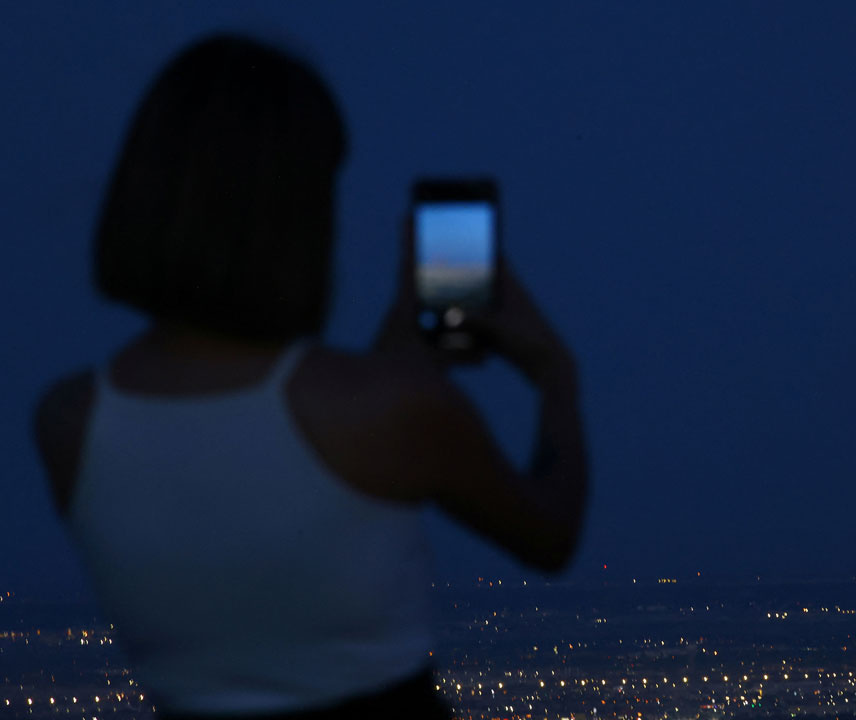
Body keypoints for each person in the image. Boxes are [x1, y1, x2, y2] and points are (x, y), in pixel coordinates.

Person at [31, 34, 587, 720]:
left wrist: (391, 359)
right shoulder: (394, 411)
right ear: (299, 212)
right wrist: (556, 372)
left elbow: (272, 462)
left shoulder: (68, 423)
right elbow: (551, 532)